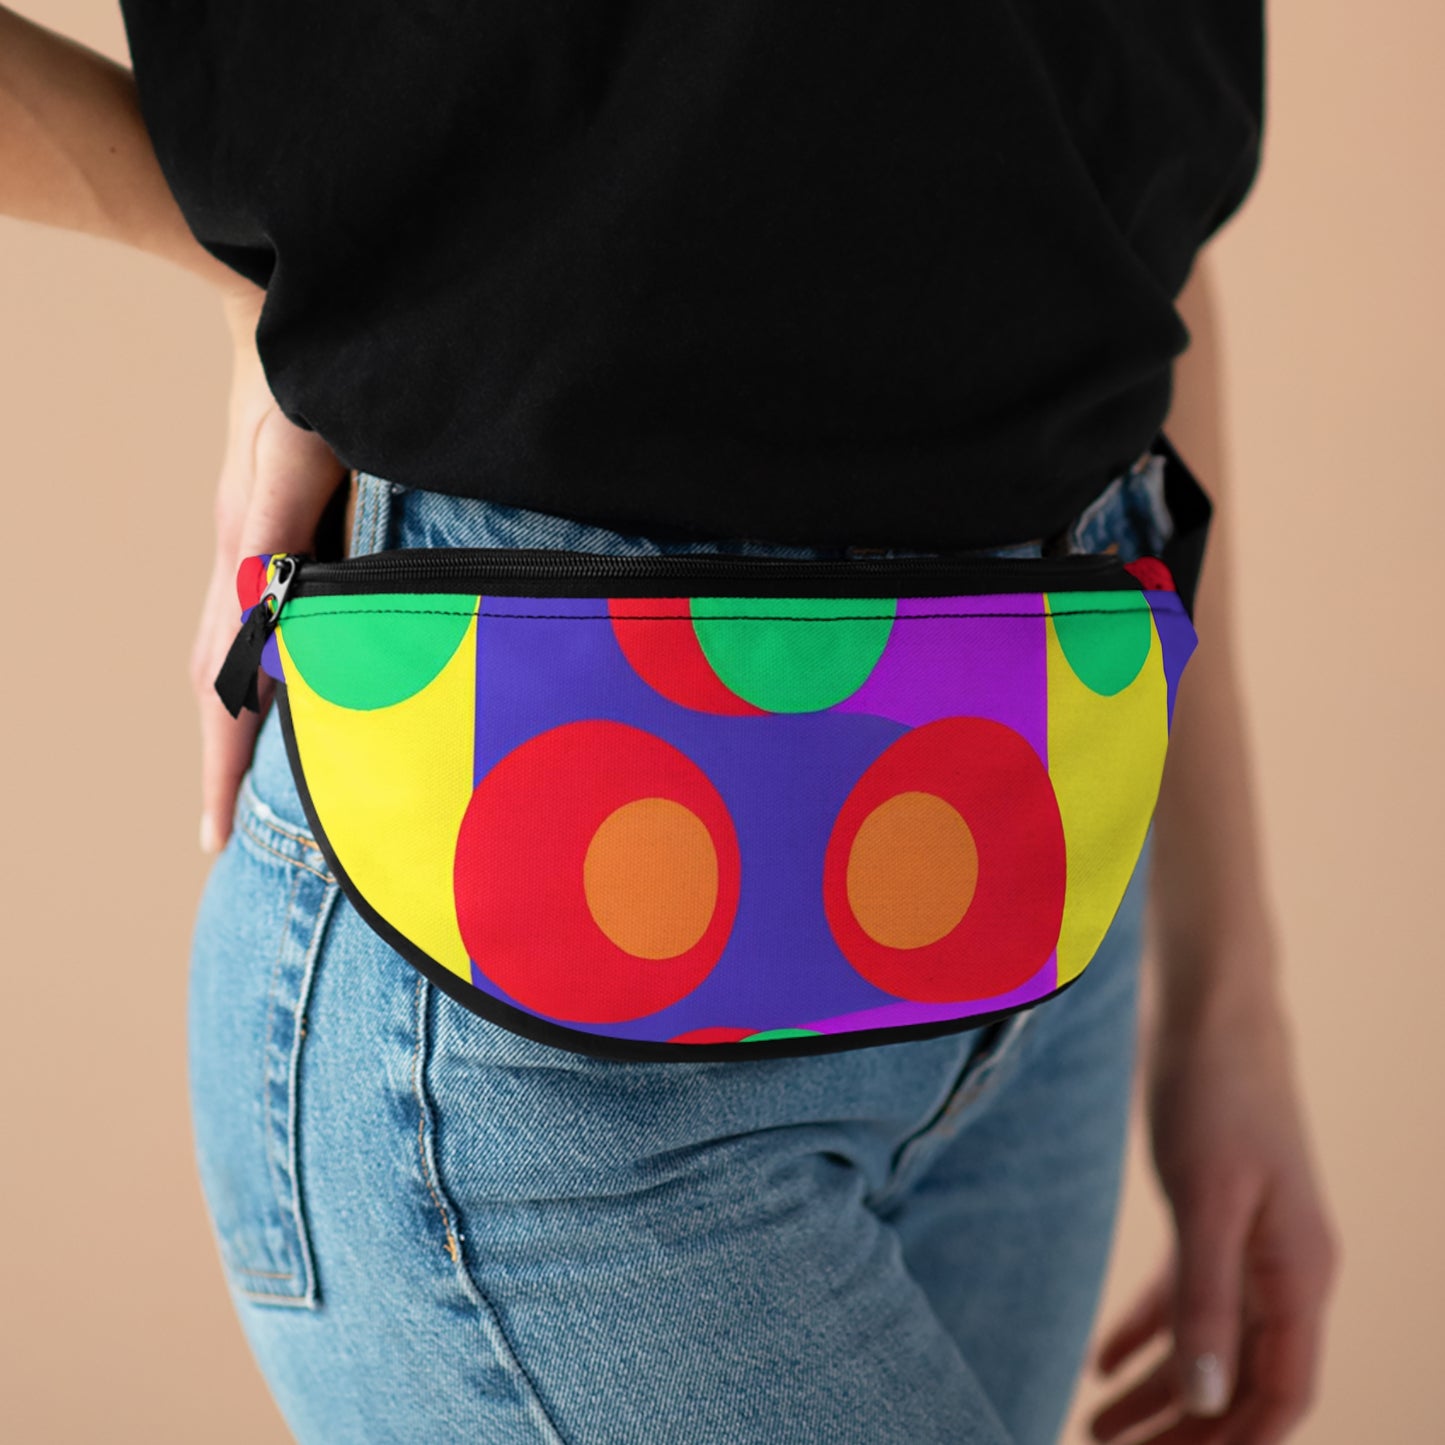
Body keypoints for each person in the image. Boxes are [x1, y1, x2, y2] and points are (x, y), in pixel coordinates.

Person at [2, 6, 1338, 1442]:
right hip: (530, 1011)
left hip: (1047, 860)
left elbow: (1125, 195)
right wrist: (254, 279)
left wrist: (1228, 995)